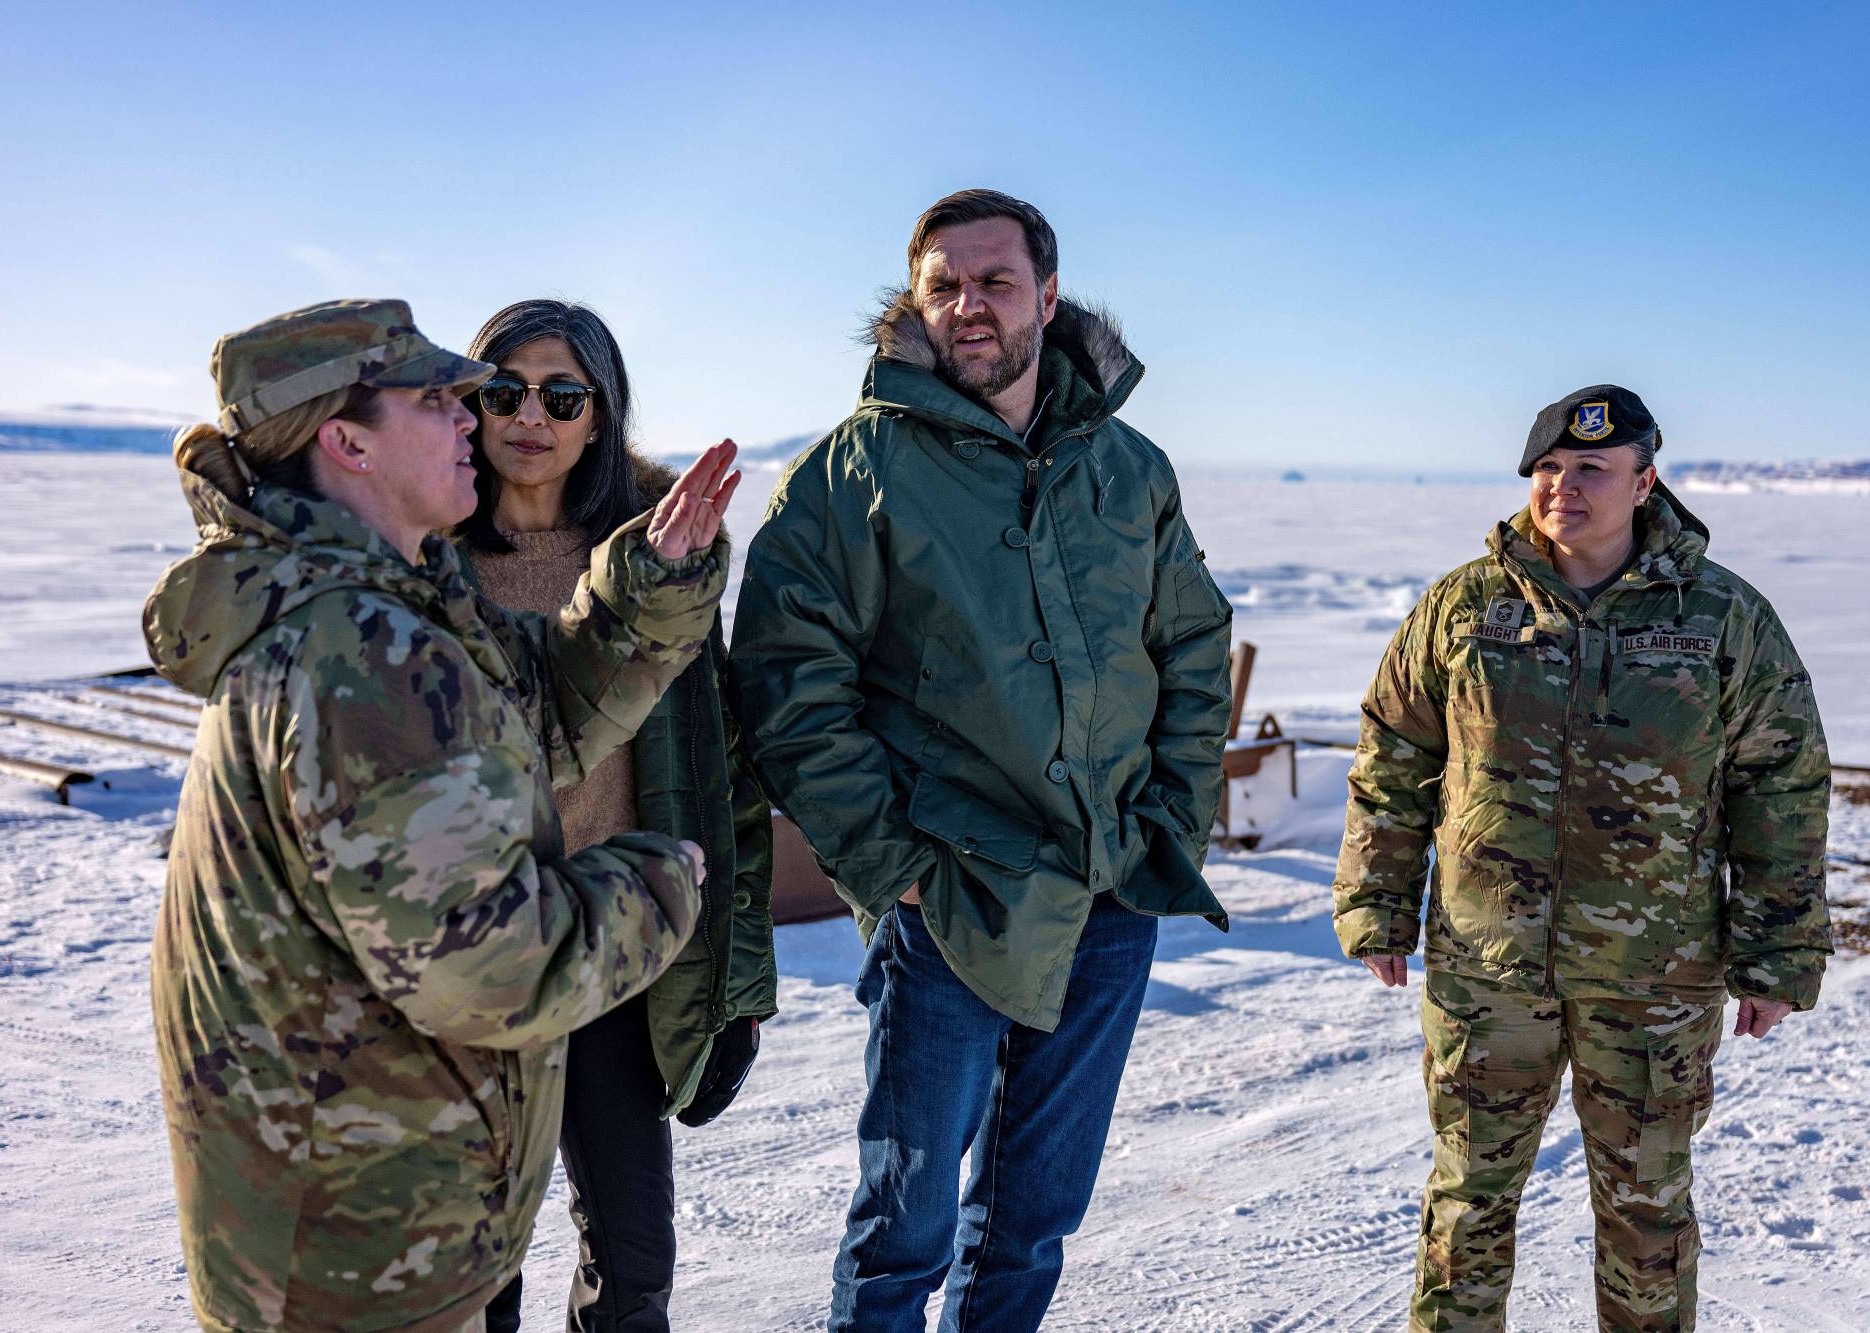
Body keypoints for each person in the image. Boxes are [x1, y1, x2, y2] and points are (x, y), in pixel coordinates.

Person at [144, 298, 740, 1332]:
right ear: (349, 443)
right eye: (440, 400)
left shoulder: (380, 604)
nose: (477, 417)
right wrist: (655, 886)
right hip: (362, 1242)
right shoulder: (360, 654)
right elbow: (486, 967)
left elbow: (538, 710)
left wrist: (645, 590)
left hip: (368, 1200)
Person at [730, 188, 1235, 1331]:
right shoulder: (851, 472)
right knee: (901, 1233)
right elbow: (788, 684)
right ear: (913, 302)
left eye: (994, 282)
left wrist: (1168, 817)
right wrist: (890, 863)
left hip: (1109, 884)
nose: (968, 305)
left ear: (1046, 299)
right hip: (951, 895)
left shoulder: (1127, 467)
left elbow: (1190, 646)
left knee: (1033, 1218)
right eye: (943, 285)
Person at [1332, 384, 1831, 1331]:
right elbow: (1393, 754)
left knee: (1646, 1216)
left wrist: (1780, 951)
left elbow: (1783, 785)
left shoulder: (1721, 617)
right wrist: (1377, 901)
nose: (1563, 485)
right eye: (1549, 468)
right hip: (1488, 968)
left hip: (1655, 977)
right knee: (1467, 1203)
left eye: (1592, 468)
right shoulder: (1465, 606)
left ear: (1644, 483)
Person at [456, 299, 776, 1333]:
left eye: (562, 396)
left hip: (613, 947)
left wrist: (738, 980)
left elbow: (721, 776)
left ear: (599, 414)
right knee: (472, 1274)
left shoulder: (655, 565)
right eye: (504, 391)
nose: (530, 417)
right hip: (470, 960)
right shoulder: (425, 561)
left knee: (634, 1266)